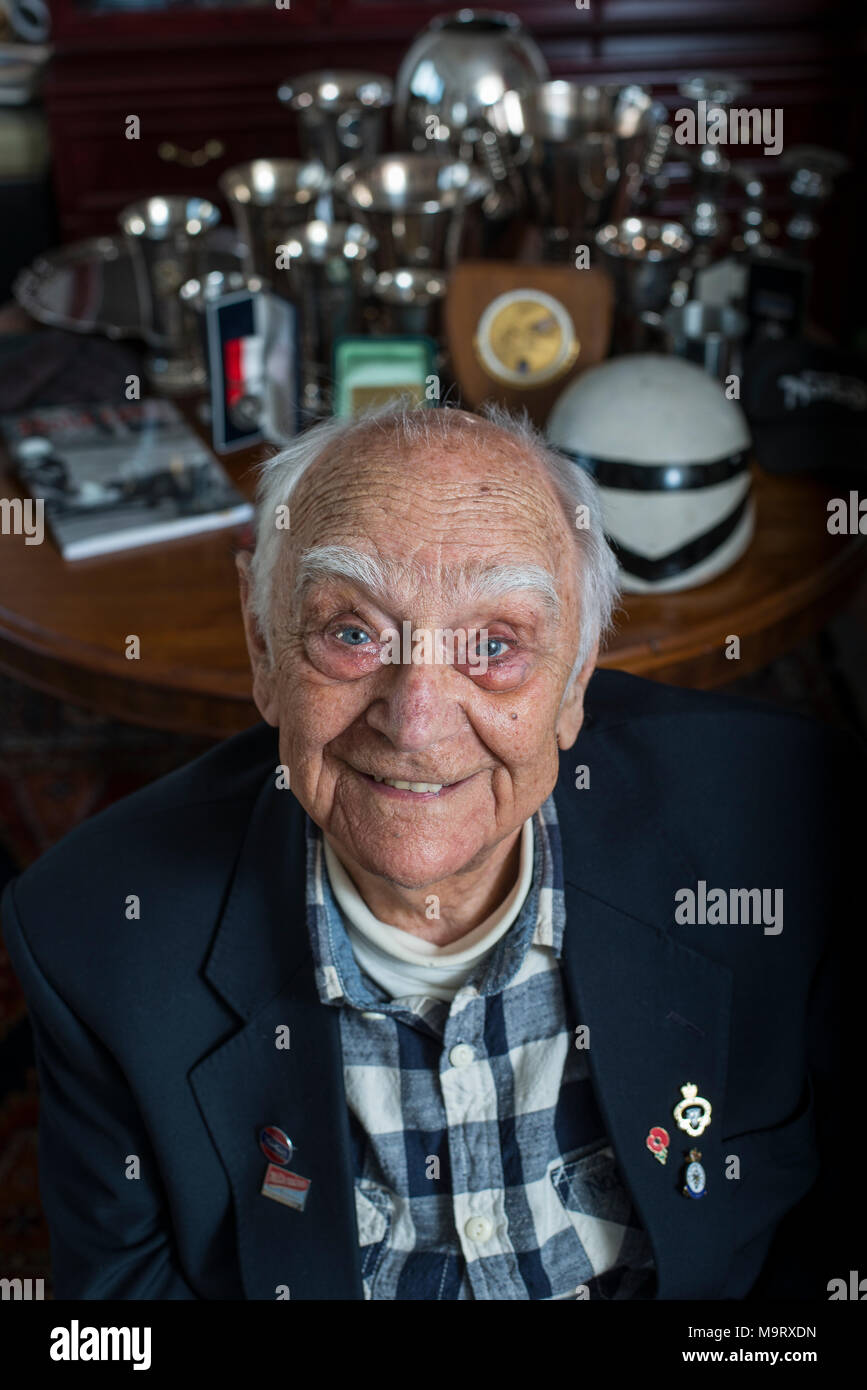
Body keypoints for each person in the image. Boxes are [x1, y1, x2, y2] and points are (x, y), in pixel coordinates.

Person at [1, 403, 858, 1300]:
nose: (415, 723)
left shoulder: (793, 822)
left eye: (494, 645)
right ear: (262, 647)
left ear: (576, 678)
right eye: (352, 632)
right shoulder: (92, 934)